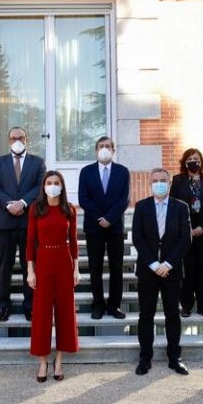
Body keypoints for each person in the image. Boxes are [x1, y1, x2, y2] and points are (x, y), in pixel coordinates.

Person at [132, 168, 191, 376]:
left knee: (172, 315)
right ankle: (144, 358)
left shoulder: (181, 207)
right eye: (155, 180)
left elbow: (185, 239)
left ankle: (175, 358)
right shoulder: (141, 207)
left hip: (171, 271)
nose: (159, 183)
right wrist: (153, 264)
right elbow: (137, 238)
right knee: (146, 315)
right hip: (148, 271)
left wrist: (168, 264)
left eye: (163, 180)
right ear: (150, 184)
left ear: (169, 183)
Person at [27, 171, 80, 382]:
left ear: (62, 186)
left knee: (65, 311)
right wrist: (30, 271)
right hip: (43, 261)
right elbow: (30, 241)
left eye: (56, 183)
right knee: (41, 313)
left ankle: (59, 360)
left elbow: (74, 241)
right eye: (49, 183)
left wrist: (76, 268)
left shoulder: (69, 210)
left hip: (64, 260)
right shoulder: (36, 209)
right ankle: (43, 361)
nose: (53, 186)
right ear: (43, 186)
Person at [0, 126, 46, 321]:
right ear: (8, 140)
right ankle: (3, 305)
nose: (17, 140)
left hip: (29, 221)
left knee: (29, 265)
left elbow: (40, 187)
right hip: (4, 222)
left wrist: (22, 203)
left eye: (20, 137)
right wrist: (8, 204)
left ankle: (30, 305)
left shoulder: (37, 163)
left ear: (26, 139)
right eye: (13, 138)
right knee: (5, 265)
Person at [77, 136, 130, 320]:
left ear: (113, 150)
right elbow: (83, 198)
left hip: (115, 227)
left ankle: (114, 306)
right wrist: (100, 218)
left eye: (108, 146)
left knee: (117, 267)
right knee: (95, 267)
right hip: (94, 227)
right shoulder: (86, 172)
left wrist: (110, 218)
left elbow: (124, 199)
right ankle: (98, 305)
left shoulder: (123, 172)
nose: (104, 149)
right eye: (101, 146)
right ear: (96, 150)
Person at [170, 148, 203, 318]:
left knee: (201, 267)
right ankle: (186, 305)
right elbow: (173, 205)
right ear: (185, 162)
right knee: (188, 268)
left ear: (201, 162)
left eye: (196, 158)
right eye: (190, 158)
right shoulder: (178, 180)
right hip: (185, 231)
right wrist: (187, 229)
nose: (194, 161)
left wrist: (202, 227)